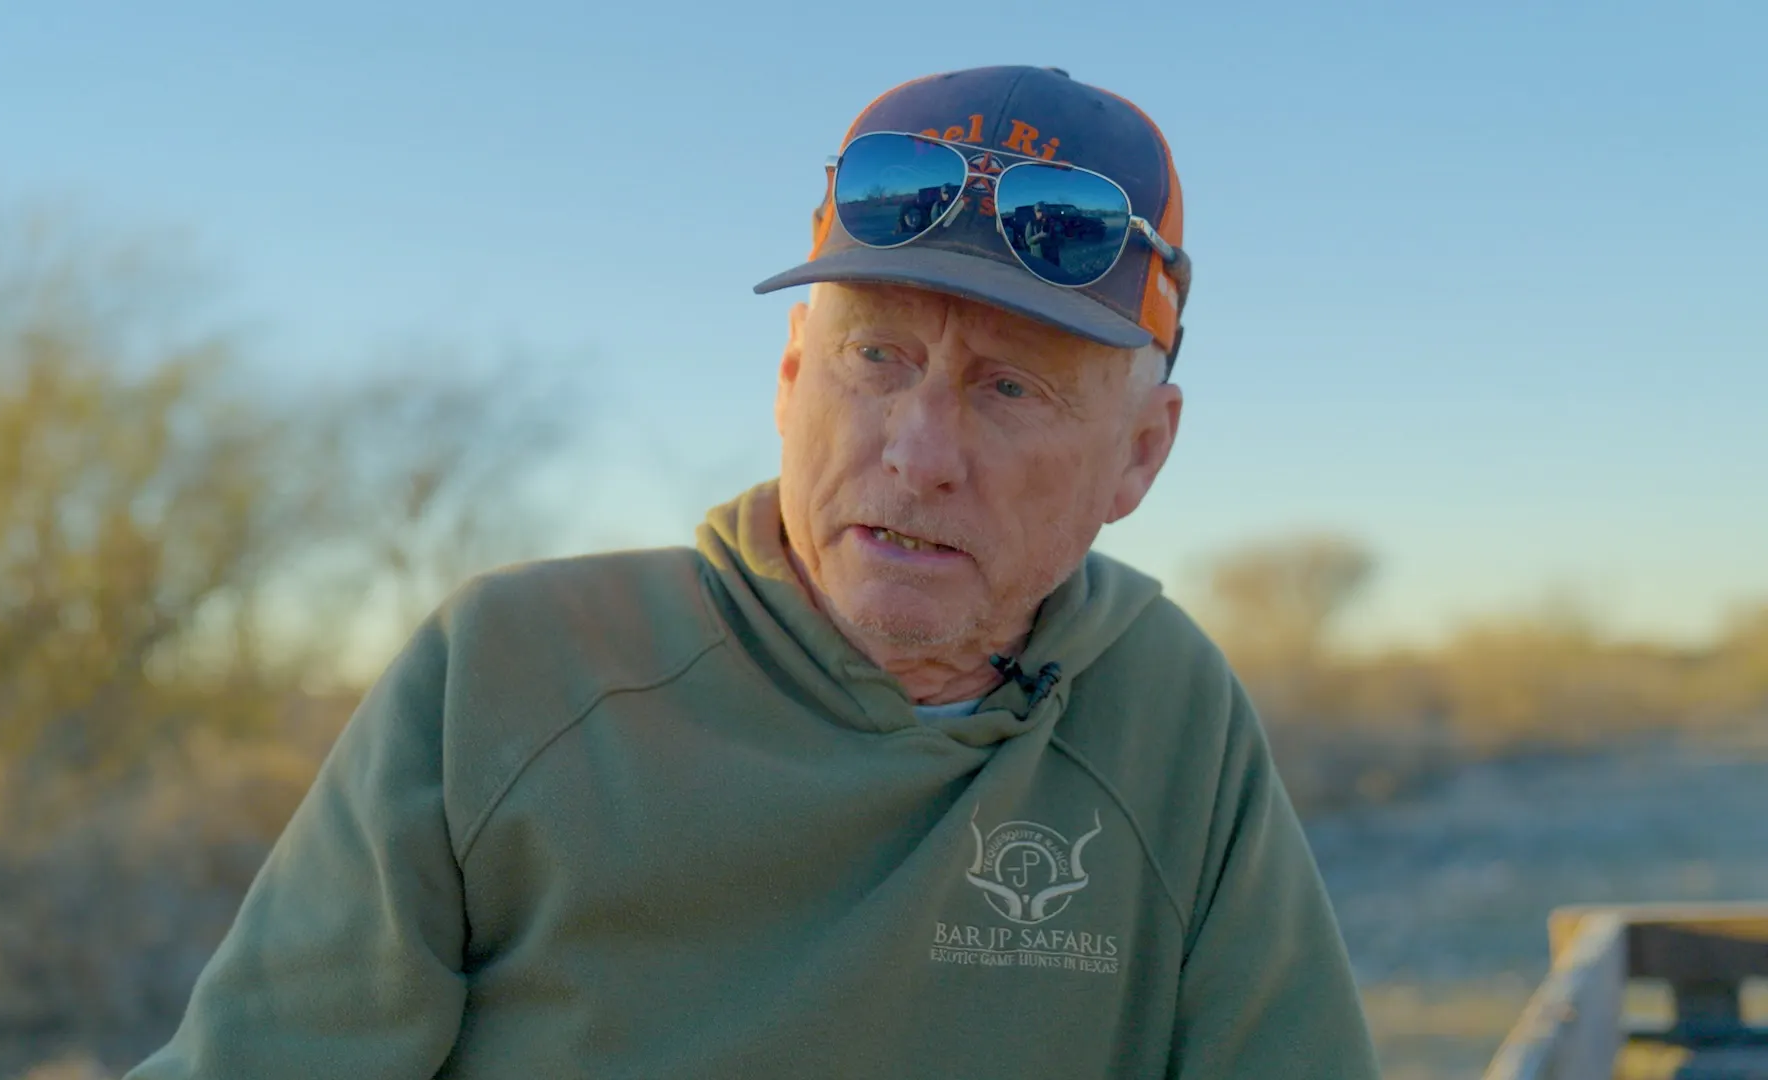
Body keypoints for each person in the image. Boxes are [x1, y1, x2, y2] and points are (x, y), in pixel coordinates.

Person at [127, 64, 1382, 1080]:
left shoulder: (1169, 717)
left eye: (1010, 388)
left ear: (1141, 455)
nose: (919, 452)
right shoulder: (512, 673)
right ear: (790, 376)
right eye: (876, 358)